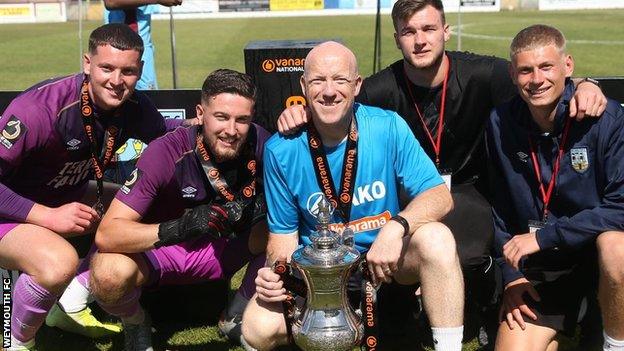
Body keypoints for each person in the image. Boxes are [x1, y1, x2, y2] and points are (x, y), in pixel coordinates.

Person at [276, 0, 607, 344]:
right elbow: (336, 99)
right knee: (422, 241)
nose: (420, 40)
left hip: (467, 190)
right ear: (397, 38)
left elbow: (537, 79)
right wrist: (299, 114)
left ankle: (483, 303)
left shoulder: (482, 73)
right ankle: (404, 305)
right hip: (409, 195)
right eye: (409, 32)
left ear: (446, 32)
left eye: (429, 29)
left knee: (461, 246)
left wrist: (585, 83)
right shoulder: (381, 87)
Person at [242, 41, 464, 351]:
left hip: (383, 265)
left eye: (340, 80)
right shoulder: (281, 150)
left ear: (357, 85)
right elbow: (283, 238)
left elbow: (440, 196)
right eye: (318, 80)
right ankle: (323, 328)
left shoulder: (388, 127)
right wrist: (273, 272)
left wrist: (395, 227)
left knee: (437, 238)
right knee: (256, 327)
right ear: (304, 86)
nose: (329, 91)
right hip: (320, 276)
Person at [0, 23, 189, 350]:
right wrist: (47, 216)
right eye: (106, 68)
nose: (116, 81)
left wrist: (200, 127)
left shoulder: (134, 108)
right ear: (87, 63)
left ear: (140, 70)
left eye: (128, 71)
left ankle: (70, 302)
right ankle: (19, 342)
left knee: (146, 207)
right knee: (57, 264)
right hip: (11, 208)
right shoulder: (38, 111)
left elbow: (164, 132)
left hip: (62, 197)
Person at [89, 69, 270, 351]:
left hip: (221, 252)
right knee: (107, 274)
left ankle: (236, 313)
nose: (232, 131)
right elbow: (108, 233)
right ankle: (135, 322)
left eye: (242, 120)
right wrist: (181, 227)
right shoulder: (165, 151)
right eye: (221, 117)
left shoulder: (262, 143)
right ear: (200, 113)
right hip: (162, 255)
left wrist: (255, 210)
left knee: (285, 232)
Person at [487, 24, 624, 351]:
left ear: (568, 66)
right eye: (525, 70)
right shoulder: (501, 121)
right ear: (512, 74)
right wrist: (511, 275)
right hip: (544, 266)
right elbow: (498, 205)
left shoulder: (603, 118)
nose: (536, 79)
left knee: (617, 249)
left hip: (598, 259)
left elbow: (620, 208)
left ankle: (615, 343)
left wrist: (543, 236)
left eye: (546, 66)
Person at [103, 0, 183, 90]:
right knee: (116, 94)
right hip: (116, 47)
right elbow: (111, 2)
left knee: (148, 96)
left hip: (144, 48)